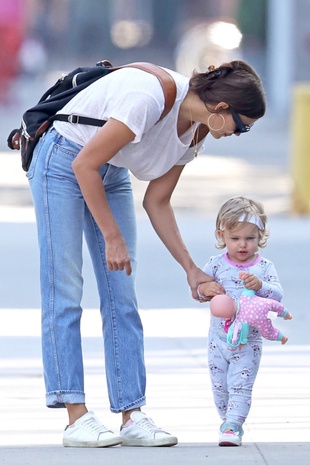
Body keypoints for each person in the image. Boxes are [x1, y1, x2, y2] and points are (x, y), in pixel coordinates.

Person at [27, 60, 266, 448]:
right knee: (64, 289)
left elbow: (158, 201)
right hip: (63, 161)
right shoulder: (150, 95)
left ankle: (131, 413)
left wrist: (190, 268)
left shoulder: (197, 133)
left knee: (122, 294)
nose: (240, 133)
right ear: (222, 108)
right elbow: (84, 163)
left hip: (111, 171)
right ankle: (76, 415)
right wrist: (112, 235)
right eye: (243, 125)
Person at [198, 196, 285, 447]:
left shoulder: (264, 267)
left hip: (248, 341)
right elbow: (198, 291)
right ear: (221, 235)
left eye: (250, 238)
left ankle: (233, 425)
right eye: (235, 238)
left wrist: (261, 286)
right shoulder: (214, 264)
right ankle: (226, 418)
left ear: (261, 237)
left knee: (240, 384)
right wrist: (206, 289)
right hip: (217, 340)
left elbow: (277, 295)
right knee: (220, 386)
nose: (243, 245)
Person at [210, 286, 292, 349]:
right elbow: (249, 288)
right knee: (278, 307)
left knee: (269, 333)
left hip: (262, 322)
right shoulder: (245, 296)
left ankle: (283, 338)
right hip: (267, 304)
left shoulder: (241, 321)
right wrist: (245, 279)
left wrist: (242, 343)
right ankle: (287, 315)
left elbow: (244, 335)